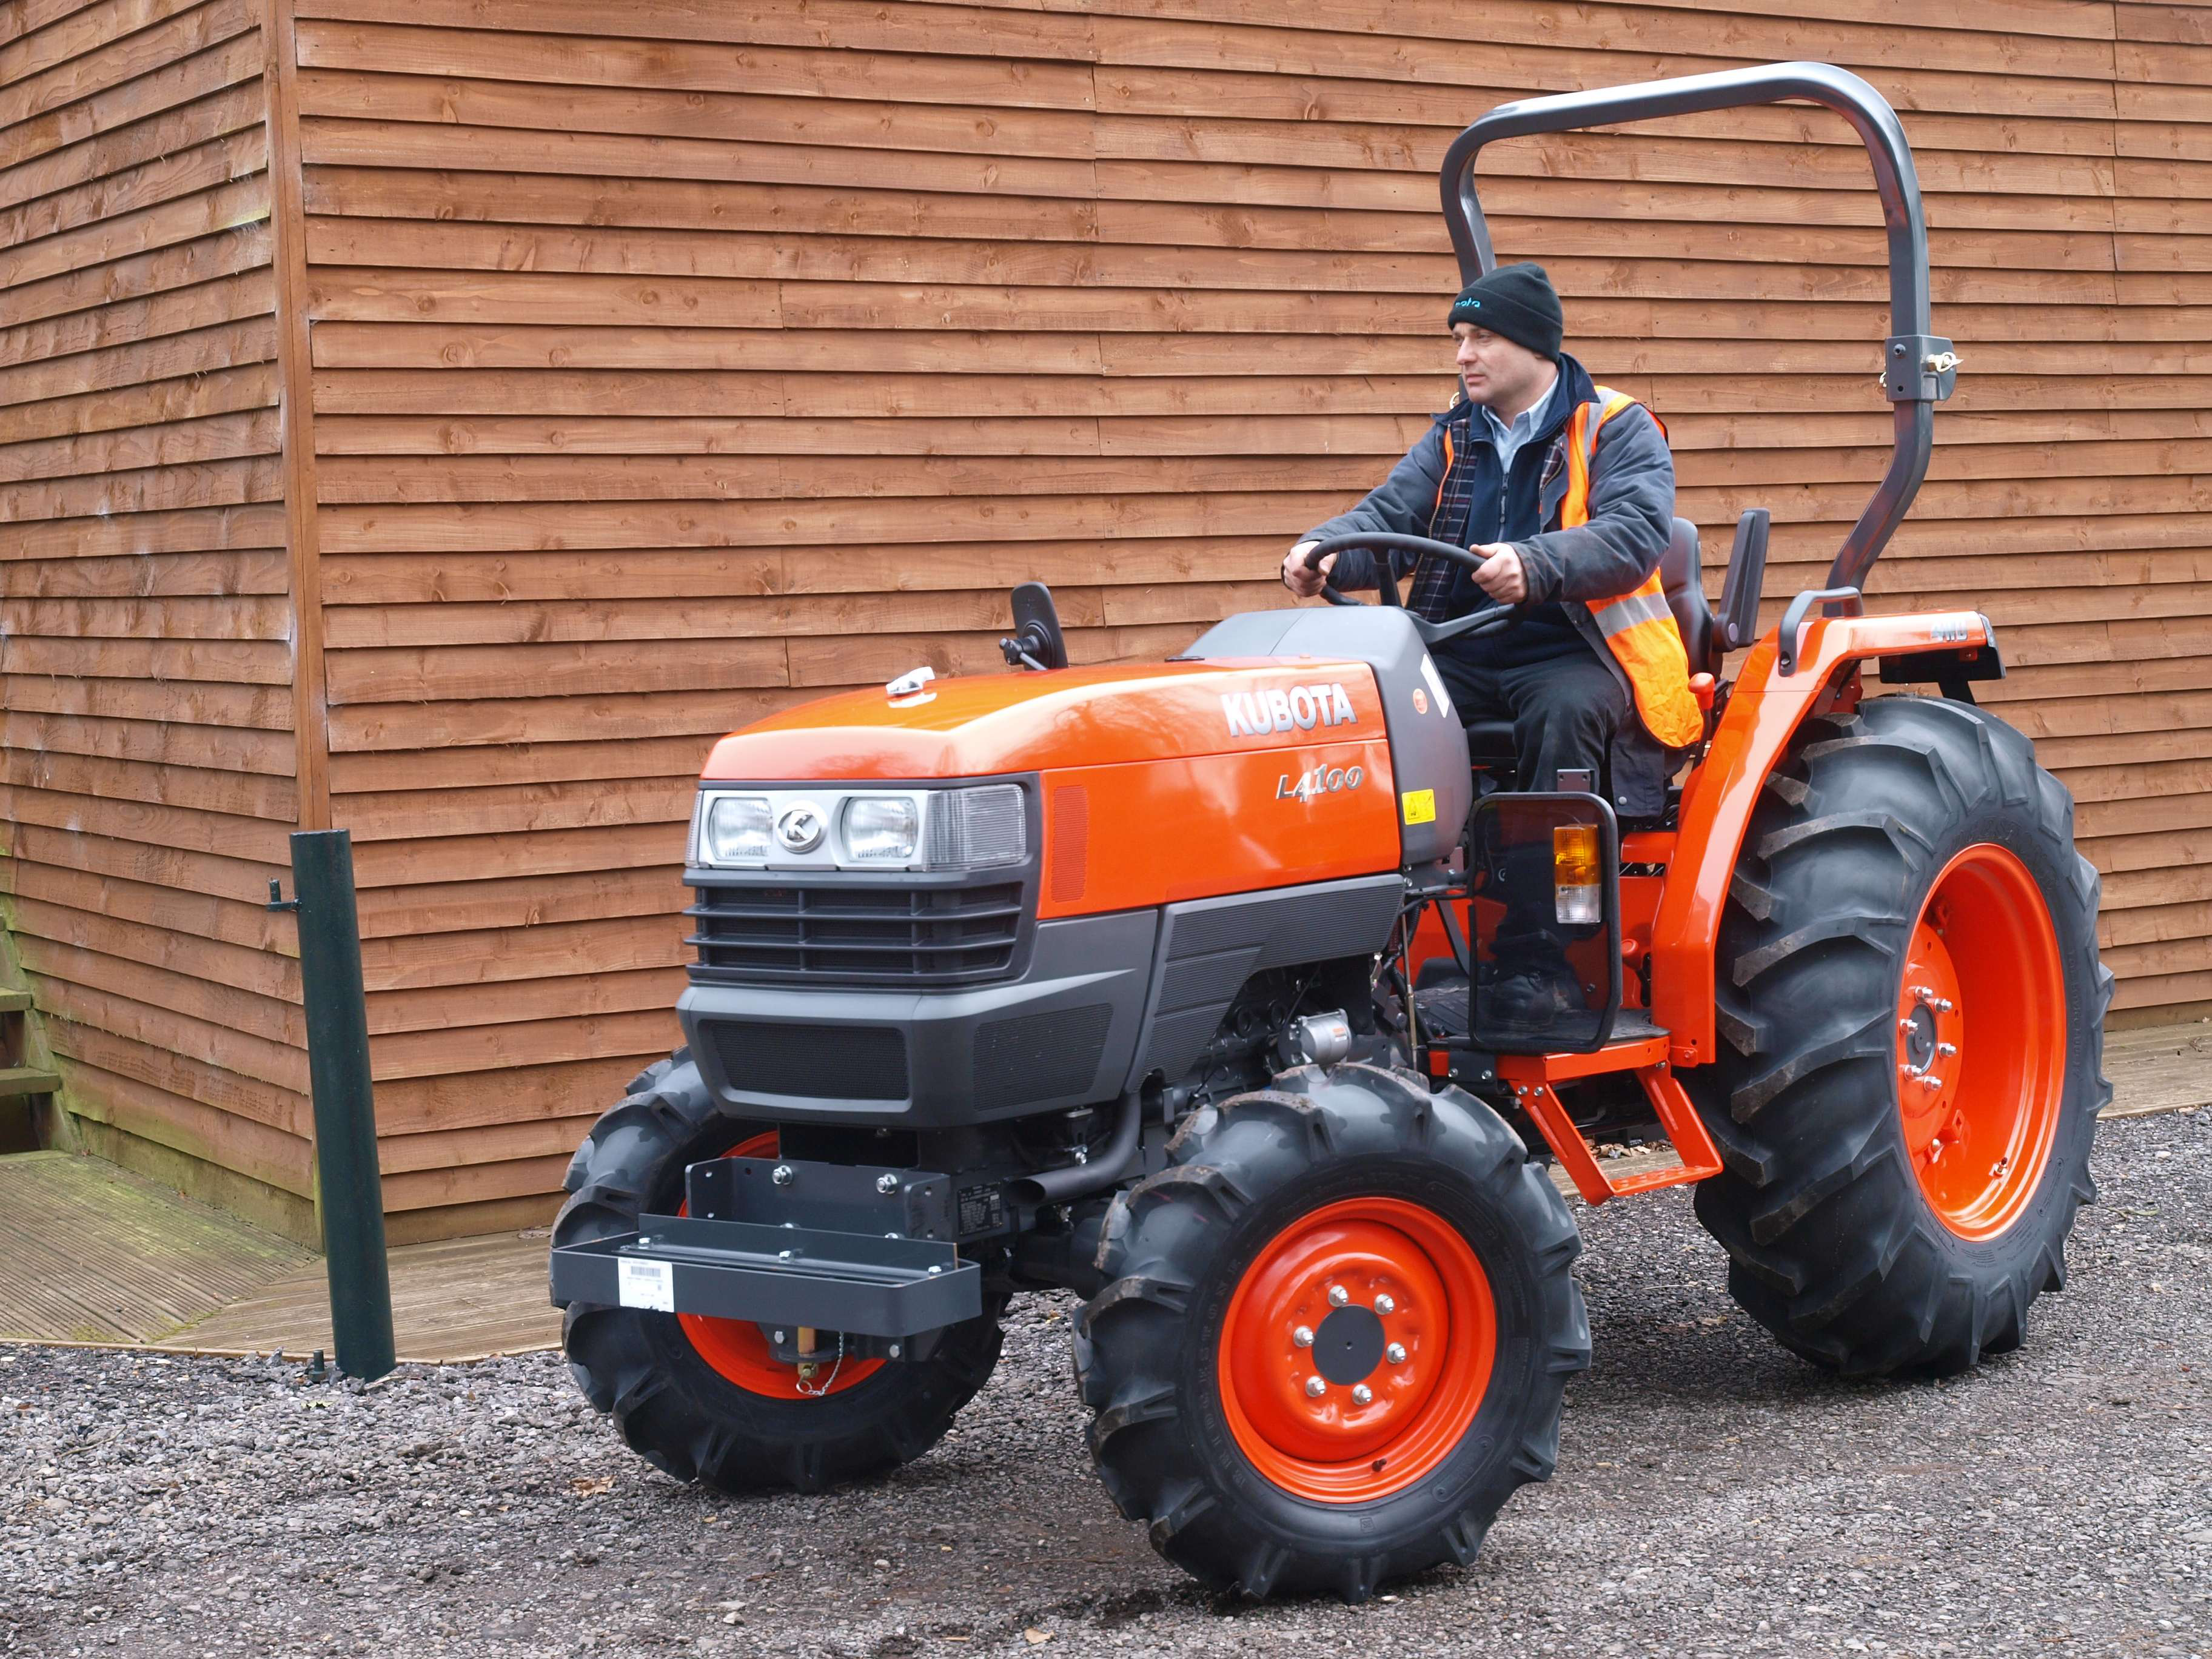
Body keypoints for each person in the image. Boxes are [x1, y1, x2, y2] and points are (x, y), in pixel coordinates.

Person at [1280, 263, 1703, 1025]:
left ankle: (1545, 962)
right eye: (1458, 338)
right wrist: (1325, 551)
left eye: (1480, 338)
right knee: (1361, 709)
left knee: (1562, 716)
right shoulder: (1456, 436)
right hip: (1467, 647)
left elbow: (1634, 533)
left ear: (1535, 346)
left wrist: (1536, 564)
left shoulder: (1615, 426)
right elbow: (1390, 518)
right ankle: (1346, 950)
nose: (1463, 355)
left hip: (1579, 648)